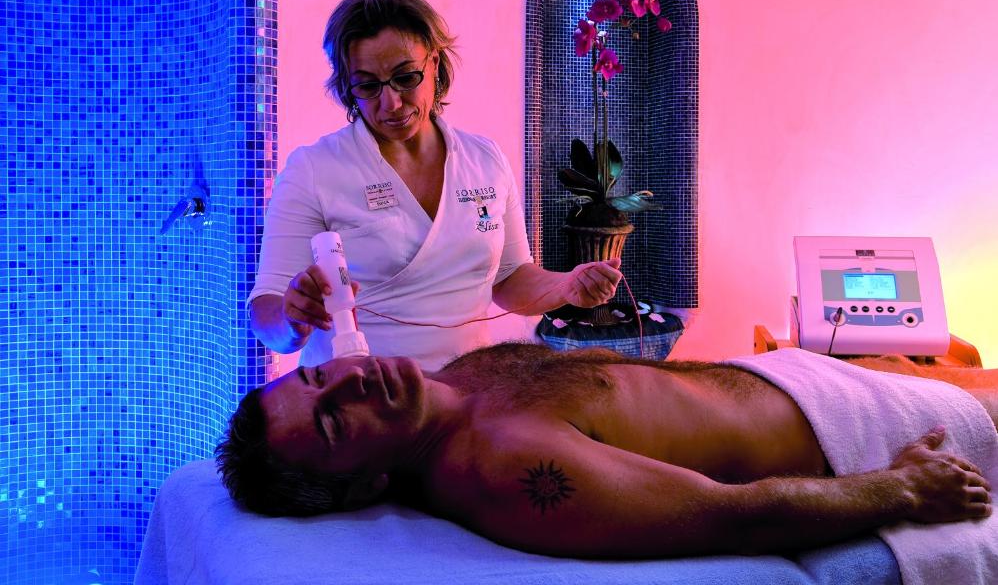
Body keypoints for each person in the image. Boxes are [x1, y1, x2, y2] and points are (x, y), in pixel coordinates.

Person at [216, 342, 997, 561]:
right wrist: (903, 488)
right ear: (365, 486)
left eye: (318, 376)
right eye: (334, 424)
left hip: (798, 376)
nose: (350, 383)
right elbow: (729, 517)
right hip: (851, 433)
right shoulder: (505, 468)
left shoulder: (456, 378)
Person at [248, 0, 622, 371]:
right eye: (368, 86)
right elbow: (265, 314)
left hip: (467, 390)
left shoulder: (484, 159)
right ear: (348, 87)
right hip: (360, 390)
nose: (391, 103)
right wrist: (292, 319)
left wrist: (566, 286)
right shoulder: (315, 169)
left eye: (406, 77)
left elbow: (510, 279)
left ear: (435, 64)